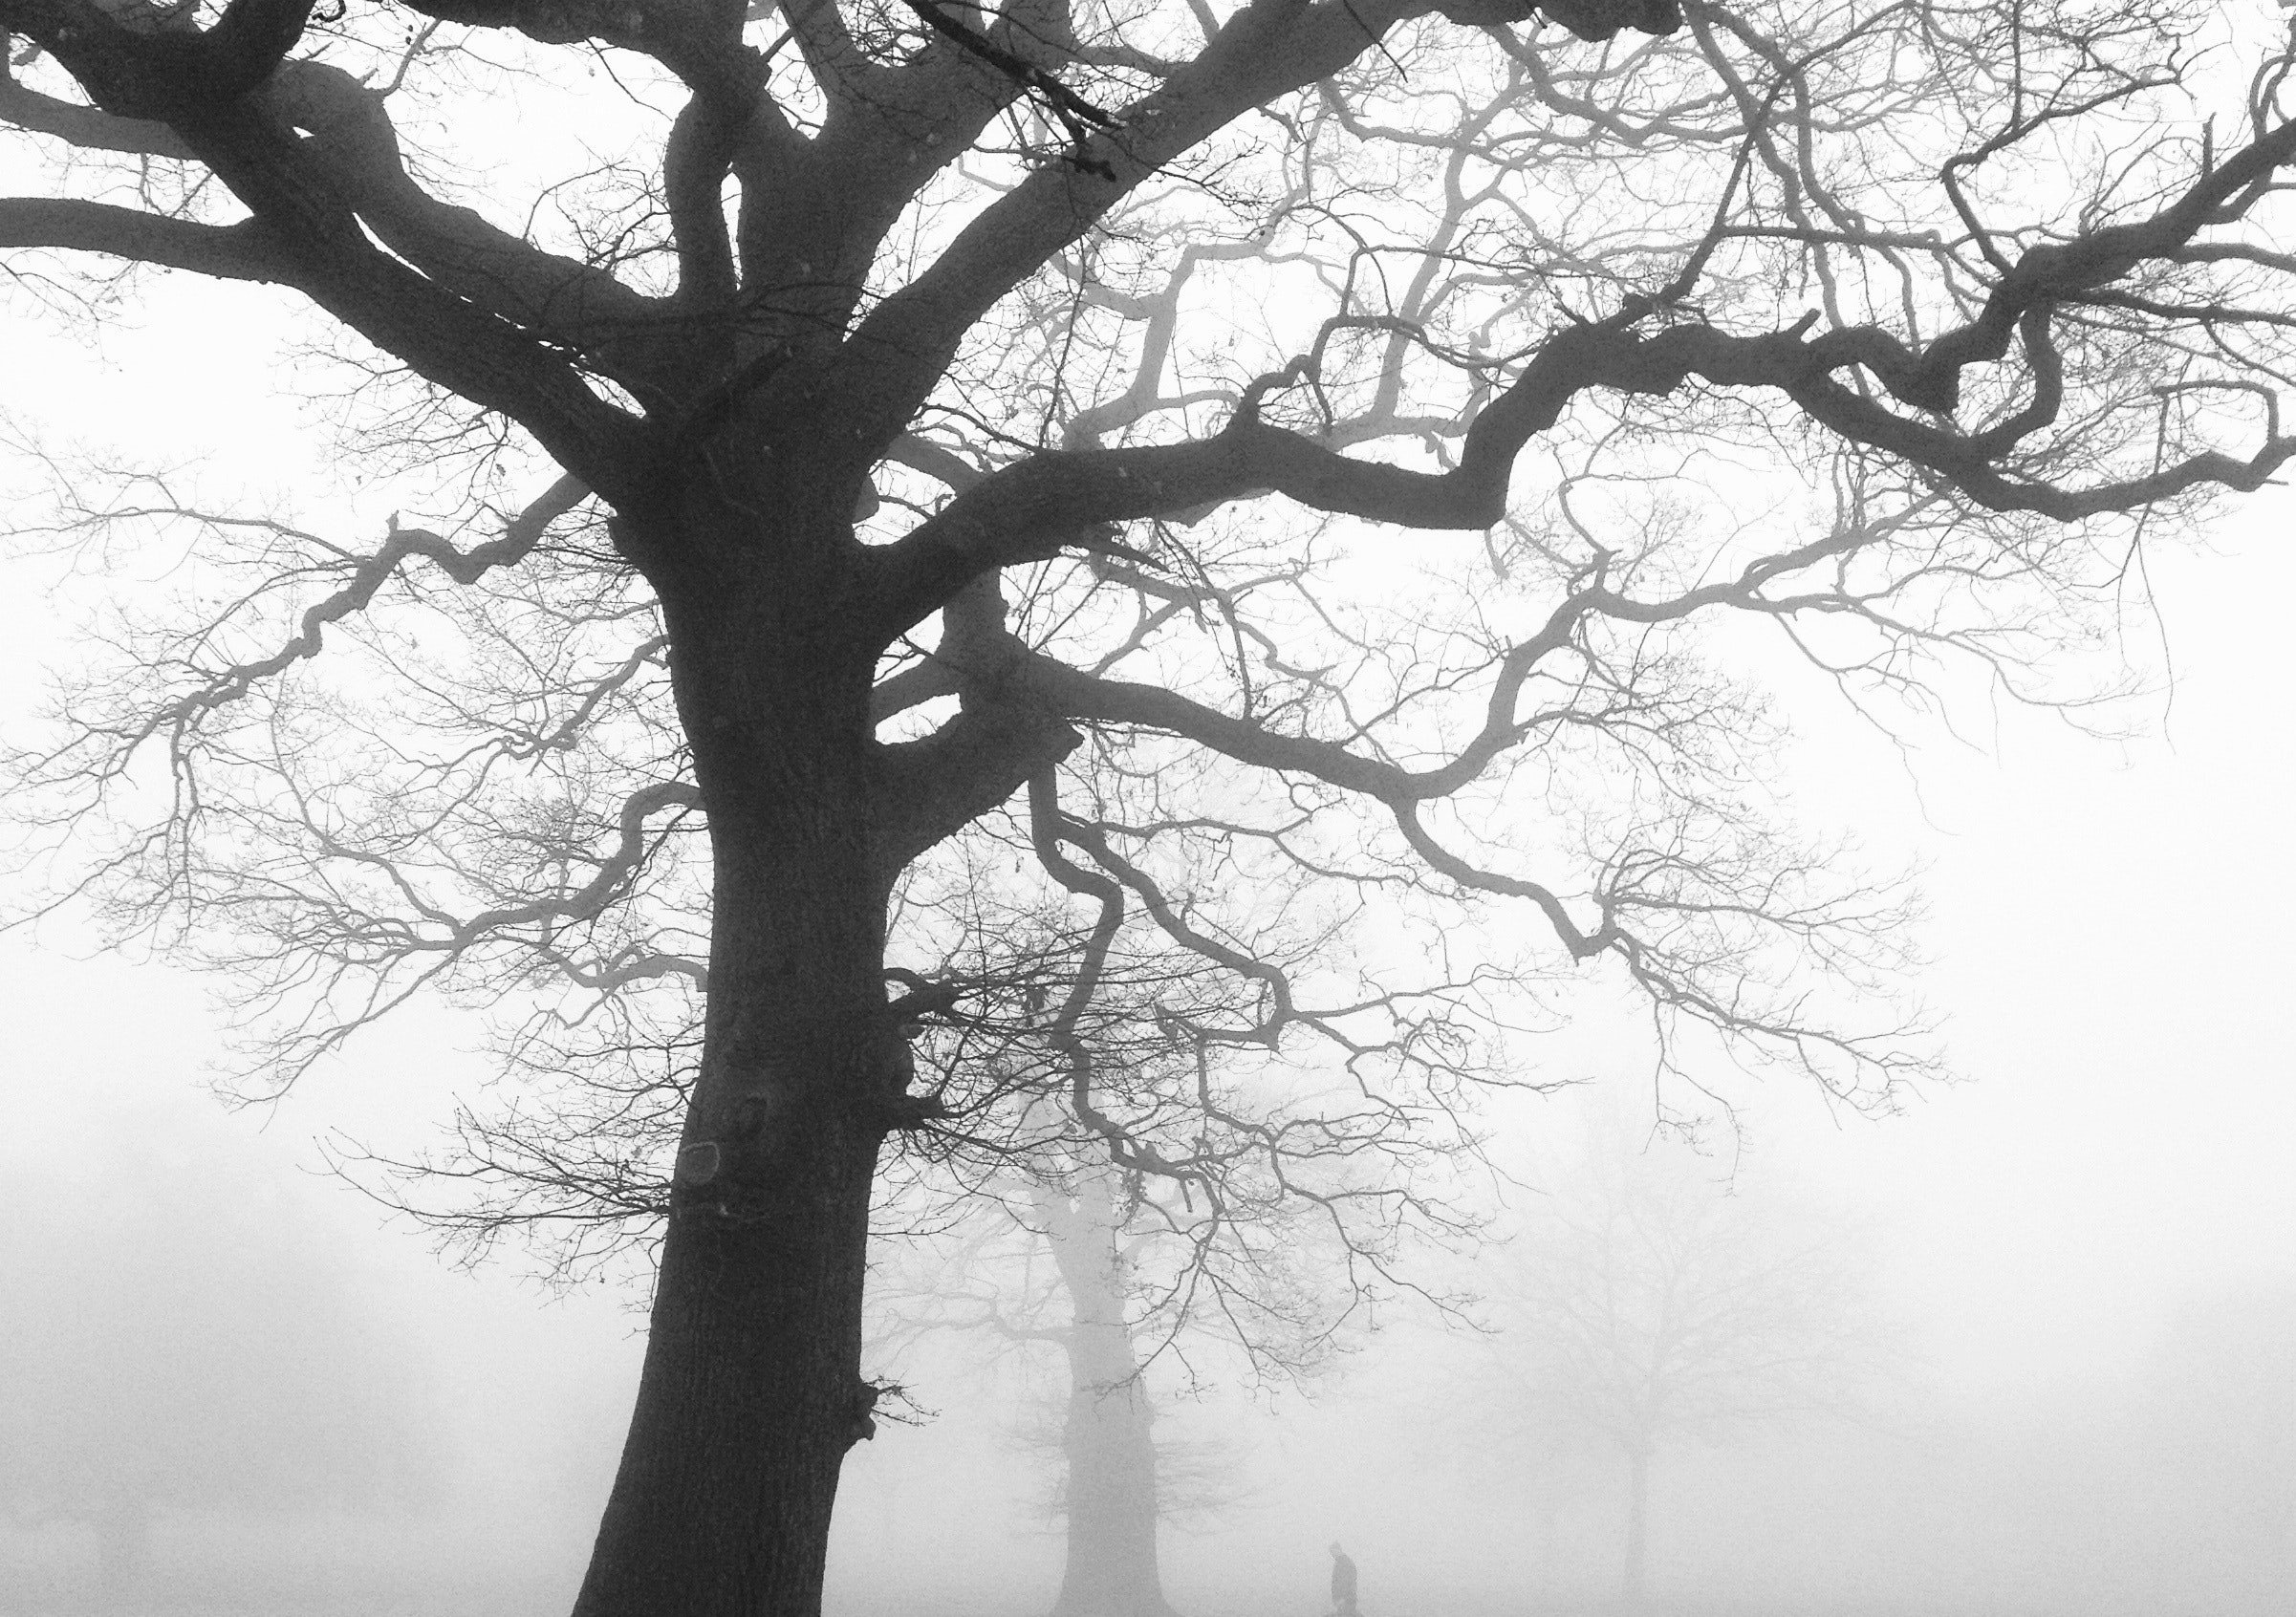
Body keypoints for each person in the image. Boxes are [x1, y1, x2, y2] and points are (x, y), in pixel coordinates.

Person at [1329, 1542, 1360, 1616]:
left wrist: (1342, 1598)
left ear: (1338, 1550)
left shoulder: (1345, 1563)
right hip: (1343, 1600)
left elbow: (1346, 1582)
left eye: (1332, 1552)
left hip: (1346, 1600)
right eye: (1331, 1553)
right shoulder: (1340, 1563)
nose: (1332, 1555)